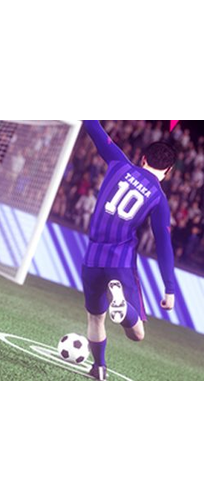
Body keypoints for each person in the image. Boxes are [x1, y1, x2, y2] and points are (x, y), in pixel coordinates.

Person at [81, 120, 177, 381]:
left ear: (143, 158)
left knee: (95, 318)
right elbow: (163, 244)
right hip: (120, 262)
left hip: (92, 258)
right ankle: (123, 307)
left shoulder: (119, 162)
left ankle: (99, 367)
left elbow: (92, 127)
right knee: (137, 335)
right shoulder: (159, 199)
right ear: (168, 171)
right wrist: (169, 288)